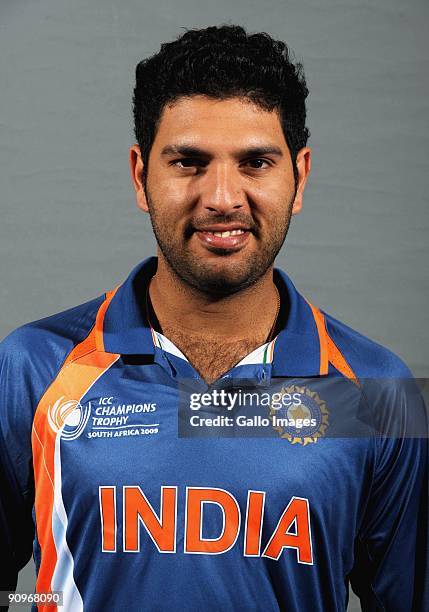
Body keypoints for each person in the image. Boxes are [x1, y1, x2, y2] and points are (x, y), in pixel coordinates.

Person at [0, 24, 427, 612]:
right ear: (140, 175)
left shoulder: (377, 390)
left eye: (255, 162)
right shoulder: (33, 368)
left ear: (299, 177)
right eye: (188, 162)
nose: (222, 197)